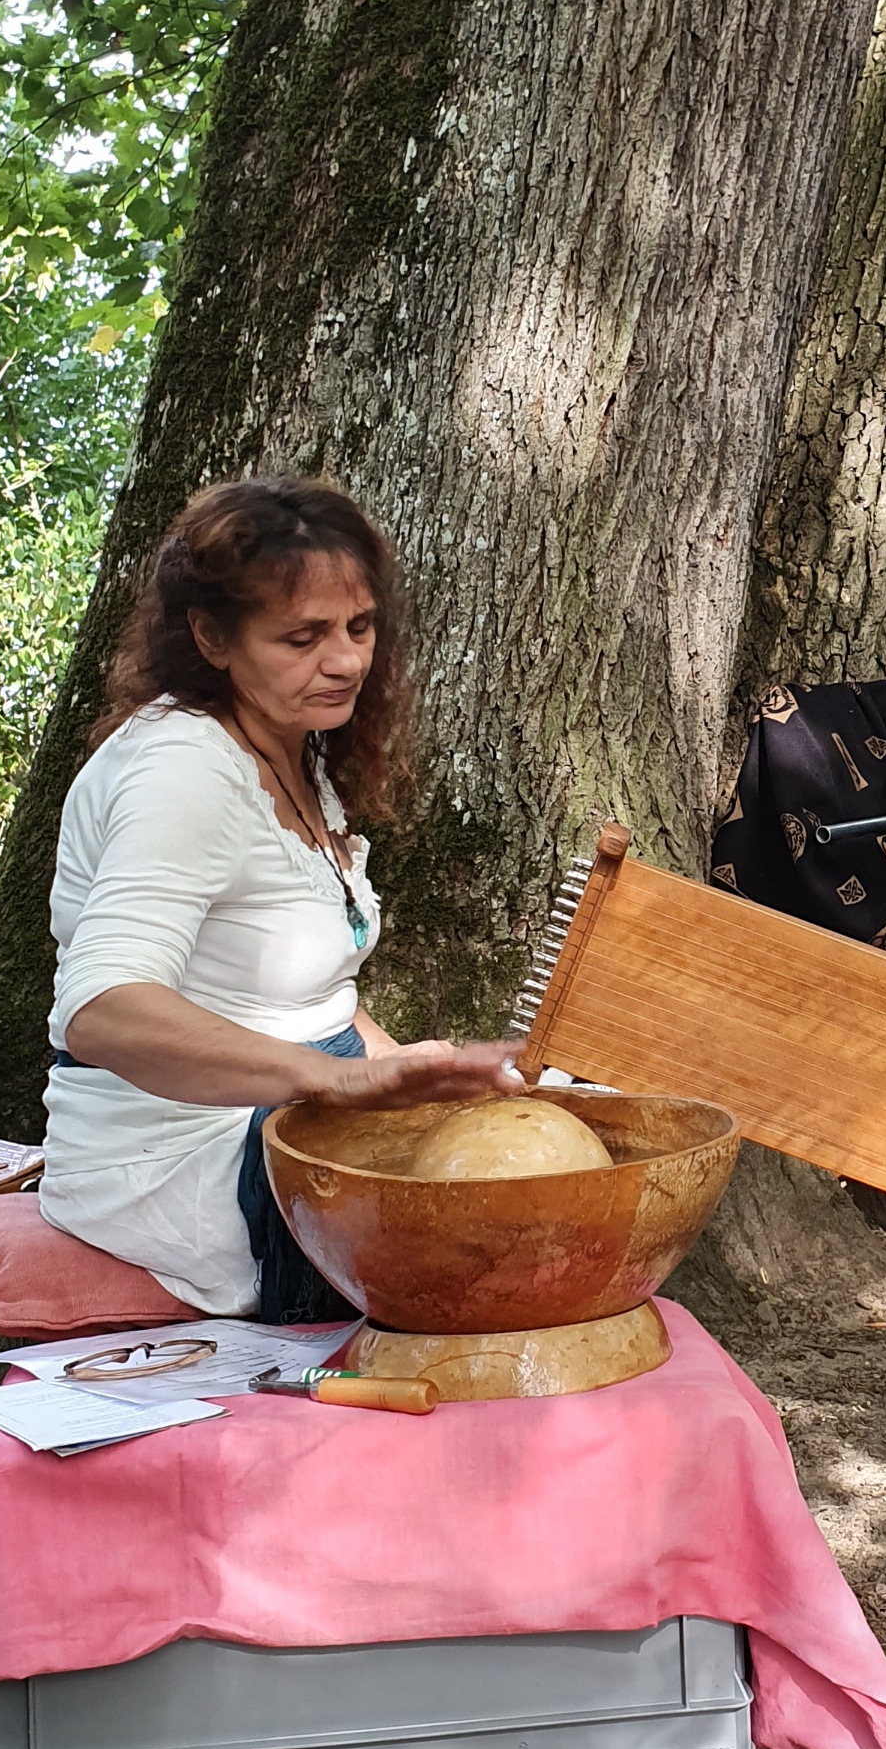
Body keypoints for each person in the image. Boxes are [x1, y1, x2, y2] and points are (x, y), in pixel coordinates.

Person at [39, 478, 524, 1316]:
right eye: (303, 636)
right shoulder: (183, 770)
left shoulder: (292, 750)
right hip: (182, 1162)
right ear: (211, 637)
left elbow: (311, 996)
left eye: (359, 627)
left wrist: (406, 1072)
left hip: (283, 1120)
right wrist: (332, 1086)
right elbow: (102, 1008)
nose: (345, 661)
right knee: (503, 1248)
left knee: (543, 1159)